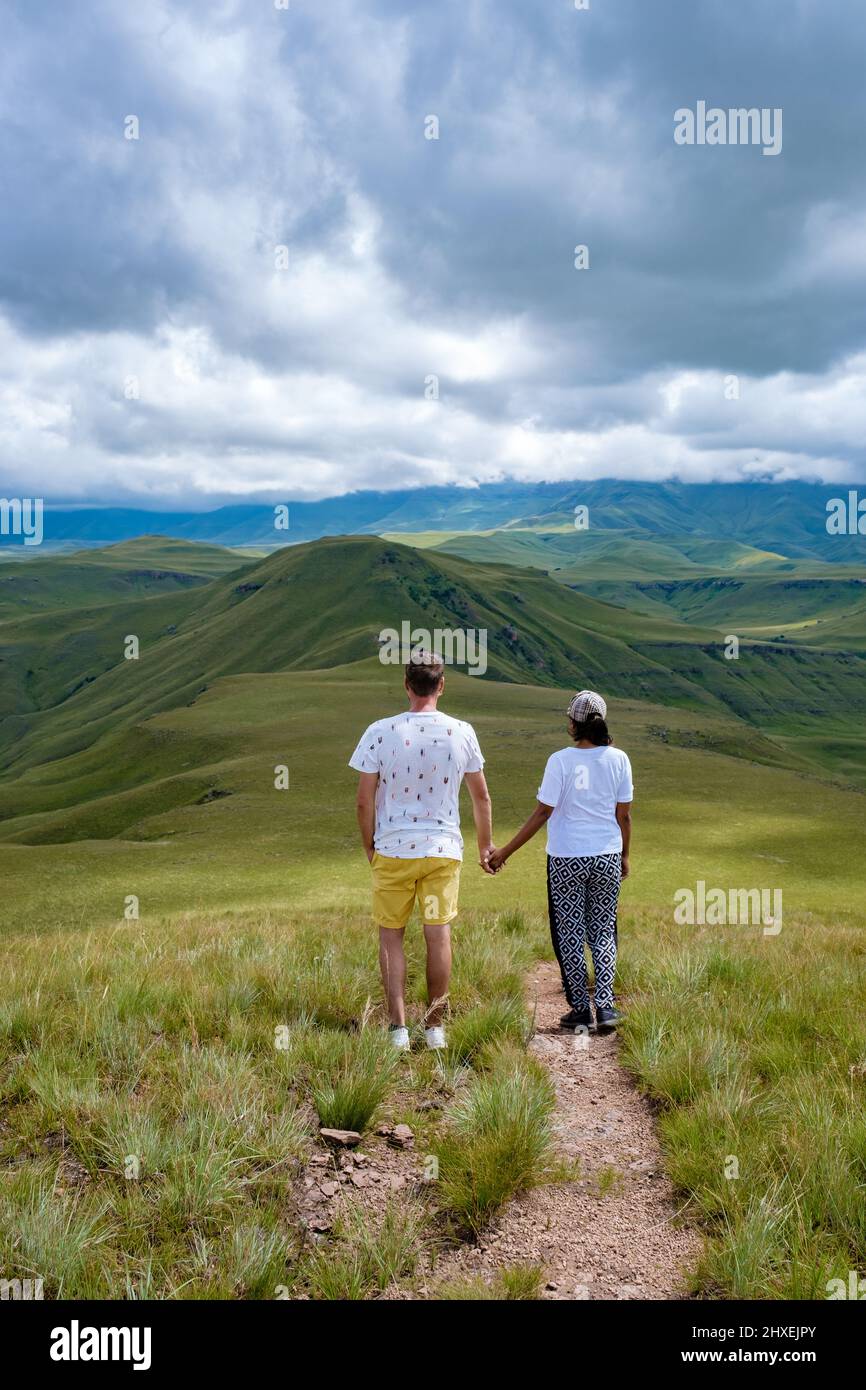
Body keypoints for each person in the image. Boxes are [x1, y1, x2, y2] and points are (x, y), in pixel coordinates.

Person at [349, 650, 495, 1051]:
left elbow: (364, 800)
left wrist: (370, 847)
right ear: (442, 684)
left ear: (406, 685)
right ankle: (435, 1029)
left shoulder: (379, 731)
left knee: (391, 936)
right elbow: (480, 797)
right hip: (443, 851)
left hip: (393, 850)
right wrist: (485, 846)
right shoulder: (462, 731)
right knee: (438, 936)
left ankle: (397, 1030)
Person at [488, 690, 632, 1034]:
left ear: (573, 724)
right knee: (603, 930)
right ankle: (607, 1006)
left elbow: (542, 812)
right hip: (607, 855)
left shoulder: (560, 761)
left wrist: (504, 852)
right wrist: (625, 854)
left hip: (567, 858)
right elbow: (624, 816)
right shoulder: (619, 759)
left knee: (568, 930)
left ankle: (581, 1009)